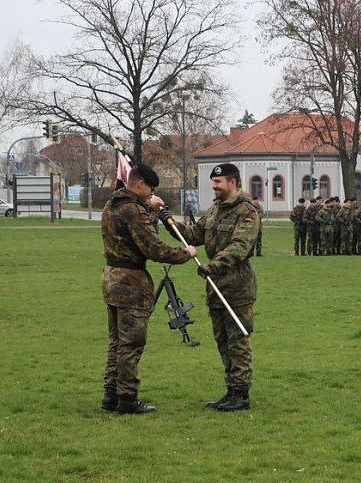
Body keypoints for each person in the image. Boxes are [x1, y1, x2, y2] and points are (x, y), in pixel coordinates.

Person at [101, 164, 197, 415]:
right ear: (140, 183)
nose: (151, 194)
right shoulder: (133, 210)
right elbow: (153, 248)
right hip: (131, 282)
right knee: (131, 344)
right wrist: (185, 253)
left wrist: (149, 209)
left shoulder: (112, 205)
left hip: (111, 278)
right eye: (150, 189)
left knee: (117, 343)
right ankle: (128, 398)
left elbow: (133, 233)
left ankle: (111, 394)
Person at [168, 162, 260, 412]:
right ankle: (230, 390)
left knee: (237, 340)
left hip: (237, 286)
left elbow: (240, 246)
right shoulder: (214, 210)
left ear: (232, 182)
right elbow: (195, 234)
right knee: (222, 340)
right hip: (215, 286)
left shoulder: (246, 211)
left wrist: (214, 265)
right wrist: (169, 223)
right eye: (213, 182)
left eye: (218, 183)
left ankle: (241, 393)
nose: (214, 186)